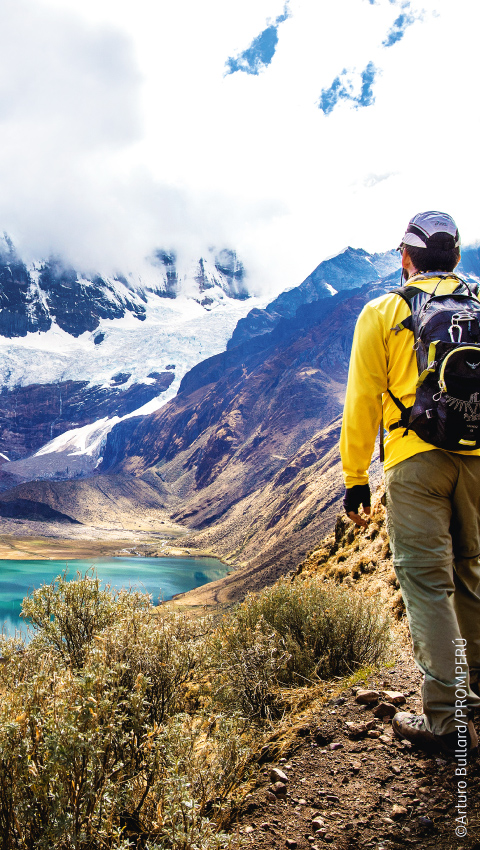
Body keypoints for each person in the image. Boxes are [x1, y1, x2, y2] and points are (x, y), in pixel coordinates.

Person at [339, 210, 480, 756]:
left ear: (406, 258)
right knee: (472, 575)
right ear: (457, 257)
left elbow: (361, 402)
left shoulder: (383, 312)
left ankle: (445, 719)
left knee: (428, 587)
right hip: (477, 459)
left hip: (415, 461)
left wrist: (356, 479)